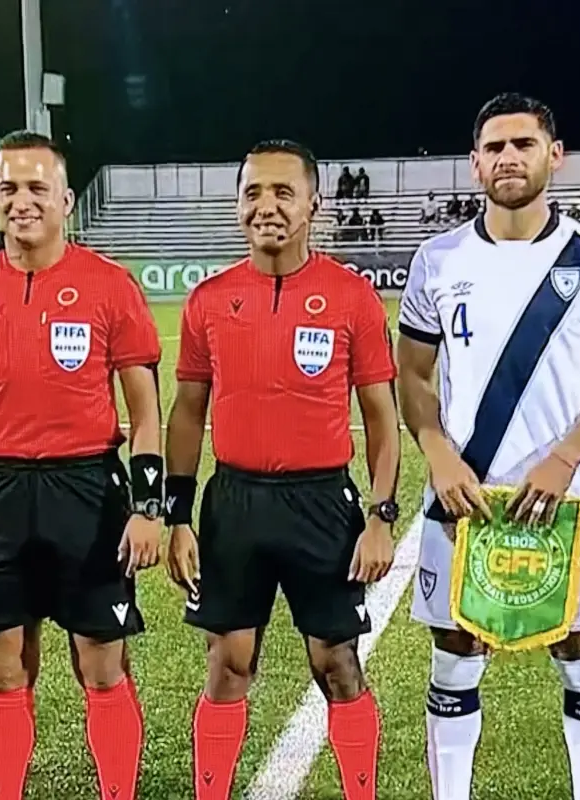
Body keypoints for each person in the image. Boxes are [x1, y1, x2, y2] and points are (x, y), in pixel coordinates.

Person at [396, 93, 580, 800]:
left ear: (554, 156)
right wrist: (437, 450)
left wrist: (566, 455)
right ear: (475, 163)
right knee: (455, 650)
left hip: (566, 498)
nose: (509, 157)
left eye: (524, 144)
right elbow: (412, 375)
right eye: (495, 147)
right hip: (464, 491)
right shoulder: (437, 259)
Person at [0, 130, 162, 800]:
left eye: (35, 188)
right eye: (7, 188)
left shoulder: (109, 285)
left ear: (65, 199)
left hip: (87, 493)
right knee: (3, 671)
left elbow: (145, 410)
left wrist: (148, 508)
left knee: (102, 667)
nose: (21, 201)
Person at [165, 139, 399, 800]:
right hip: (234, 503)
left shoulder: (349, 296)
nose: (266, 206)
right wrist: (178, 515)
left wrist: (381, 516)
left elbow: (382, 418)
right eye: (252, 193)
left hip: (322, 503)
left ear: (314, 204)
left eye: (282, 193)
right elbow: (186, 413)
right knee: (228, 663)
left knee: (338, 664)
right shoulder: (208, 300)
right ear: (237, 204)